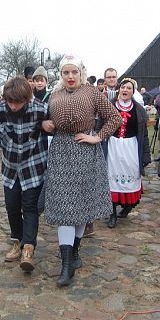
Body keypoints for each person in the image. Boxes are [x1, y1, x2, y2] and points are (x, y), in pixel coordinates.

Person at [42, 55, 122, 286]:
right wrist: (45, 125)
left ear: (81, 73)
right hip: (60, 152)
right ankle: (66, 264)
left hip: (84, 152)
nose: (70, 76)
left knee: (79, 205)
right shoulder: (54, 95)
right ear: (61, 75)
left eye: (74, 72)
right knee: (65, 206)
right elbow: (48, 121)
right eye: (66, 73)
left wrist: (97, 137)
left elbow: (114, 118)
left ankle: (74, 253)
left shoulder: (92, 93)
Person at [0, 77, 49, 273]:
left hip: (33, 166)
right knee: (12, 207)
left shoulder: (41, 108)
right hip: (10, 168)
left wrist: (50, 126)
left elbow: (56, 126)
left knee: (30, 207)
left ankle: (29, 249)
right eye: (10, 102)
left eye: (18, 102)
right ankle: (18, 241)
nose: (14, 106)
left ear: (27, 99)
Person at [104, 78, 151, 226]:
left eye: (129, 88)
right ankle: (112, 213)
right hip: (112, 146)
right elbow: (100, 126)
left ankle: (128, 206)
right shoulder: (109, 106)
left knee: (131, 178)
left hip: (131, 147)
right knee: (110, 179)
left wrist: (146, 155)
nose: (125, 90)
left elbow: (144, 134)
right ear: (119, 89)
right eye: (123, 87)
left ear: (133, 91)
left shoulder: (139, 110)